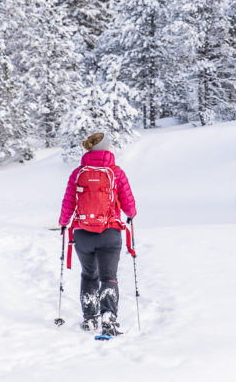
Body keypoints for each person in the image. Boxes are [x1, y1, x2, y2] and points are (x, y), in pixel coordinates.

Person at [58, 132, 137, 335]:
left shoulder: (78, 173)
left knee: (88, 275)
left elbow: (68, 203)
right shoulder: (116, 173)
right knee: (108, 276)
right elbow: (129, 205)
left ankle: (90, 319)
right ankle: (108, 317)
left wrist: (63, 223)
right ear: (107, 149)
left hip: (83, 233)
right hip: (110, 232)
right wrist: (130, 214)